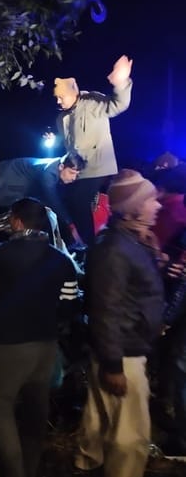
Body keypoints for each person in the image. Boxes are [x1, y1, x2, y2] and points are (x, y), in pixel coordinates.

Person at [0, 197, 79, 477]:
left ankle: (15, 471)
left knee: (1, 407)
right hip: (46, 348)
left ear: (18, 222)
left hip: (10, 347)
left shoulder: (2, 253)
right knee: (36, 411)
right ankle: (32, 468)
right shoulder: (62, 261)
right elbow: (70, 307)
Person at [74, 169, 165, 477]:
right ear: (132, 209)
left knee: (100, 418)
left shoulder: (126, 242)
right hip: (123, 354)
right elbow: (106, 309)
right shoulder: (115, 250)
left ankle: (89, 465)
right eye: (150, 200)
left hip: (119, 348)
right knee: (130, 435)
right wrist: (114, 365)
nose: (158, 205)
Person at [54, 55, 133, 244]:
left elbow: (118, 104)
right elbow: (69, 148)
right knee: (61, 195)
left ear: (73, 92)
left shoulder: (91, 101)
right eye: (56, 97)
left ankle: (91, 245)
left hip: (99, 165)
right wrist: (64, 166)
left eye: (61, 97)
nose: (58, 101)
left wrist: (121, 82)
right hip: (80, 169)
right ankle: (77, 239)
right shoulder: (61, 119)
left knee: (77, 200)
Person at [0, 153, 87, 245]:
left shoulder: (58, 166)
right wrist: (70, 225)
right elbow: (53, 201)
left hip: (22, 181)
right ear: (61, 167)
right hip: (11, 178)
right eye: (71, 173)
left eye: (77, 174)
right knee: (13, 213)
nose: (74, 178)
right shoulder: (48, 174)